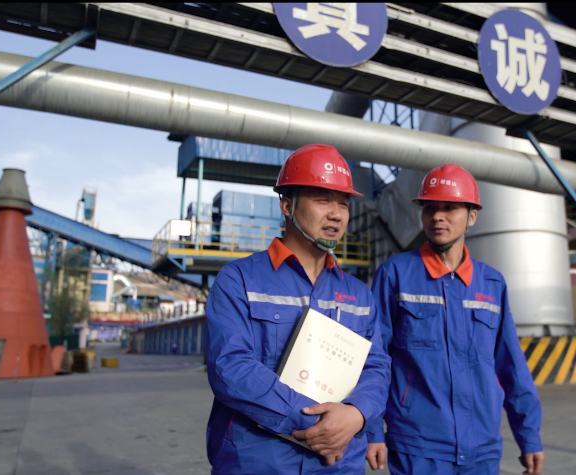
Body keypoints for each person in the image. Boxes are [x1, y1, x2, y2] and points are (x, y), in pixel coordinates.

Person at [205, 144, 391, 475]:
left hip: (339, 462)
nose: (336, 214)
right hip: (260, 461)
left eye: (343, 203)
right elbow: (230, 366)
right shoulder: (239, 279)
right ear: (287, 205)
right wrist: (319, 424)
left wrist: (358, 414)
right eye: (322, 199)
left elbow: (375, 366)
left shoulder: (358, 294)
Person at [365, 164, 545, 475]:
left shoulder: (492, 284)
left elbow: (512, 365)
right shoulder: (396, 274)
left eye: (449, 208)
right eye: (430, 208)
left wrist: (528, 436)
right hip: (418, 445)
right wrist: (371, 431)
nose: (437, 216)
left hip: (483, 445)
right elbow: (373, 357)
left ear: (472, 216)